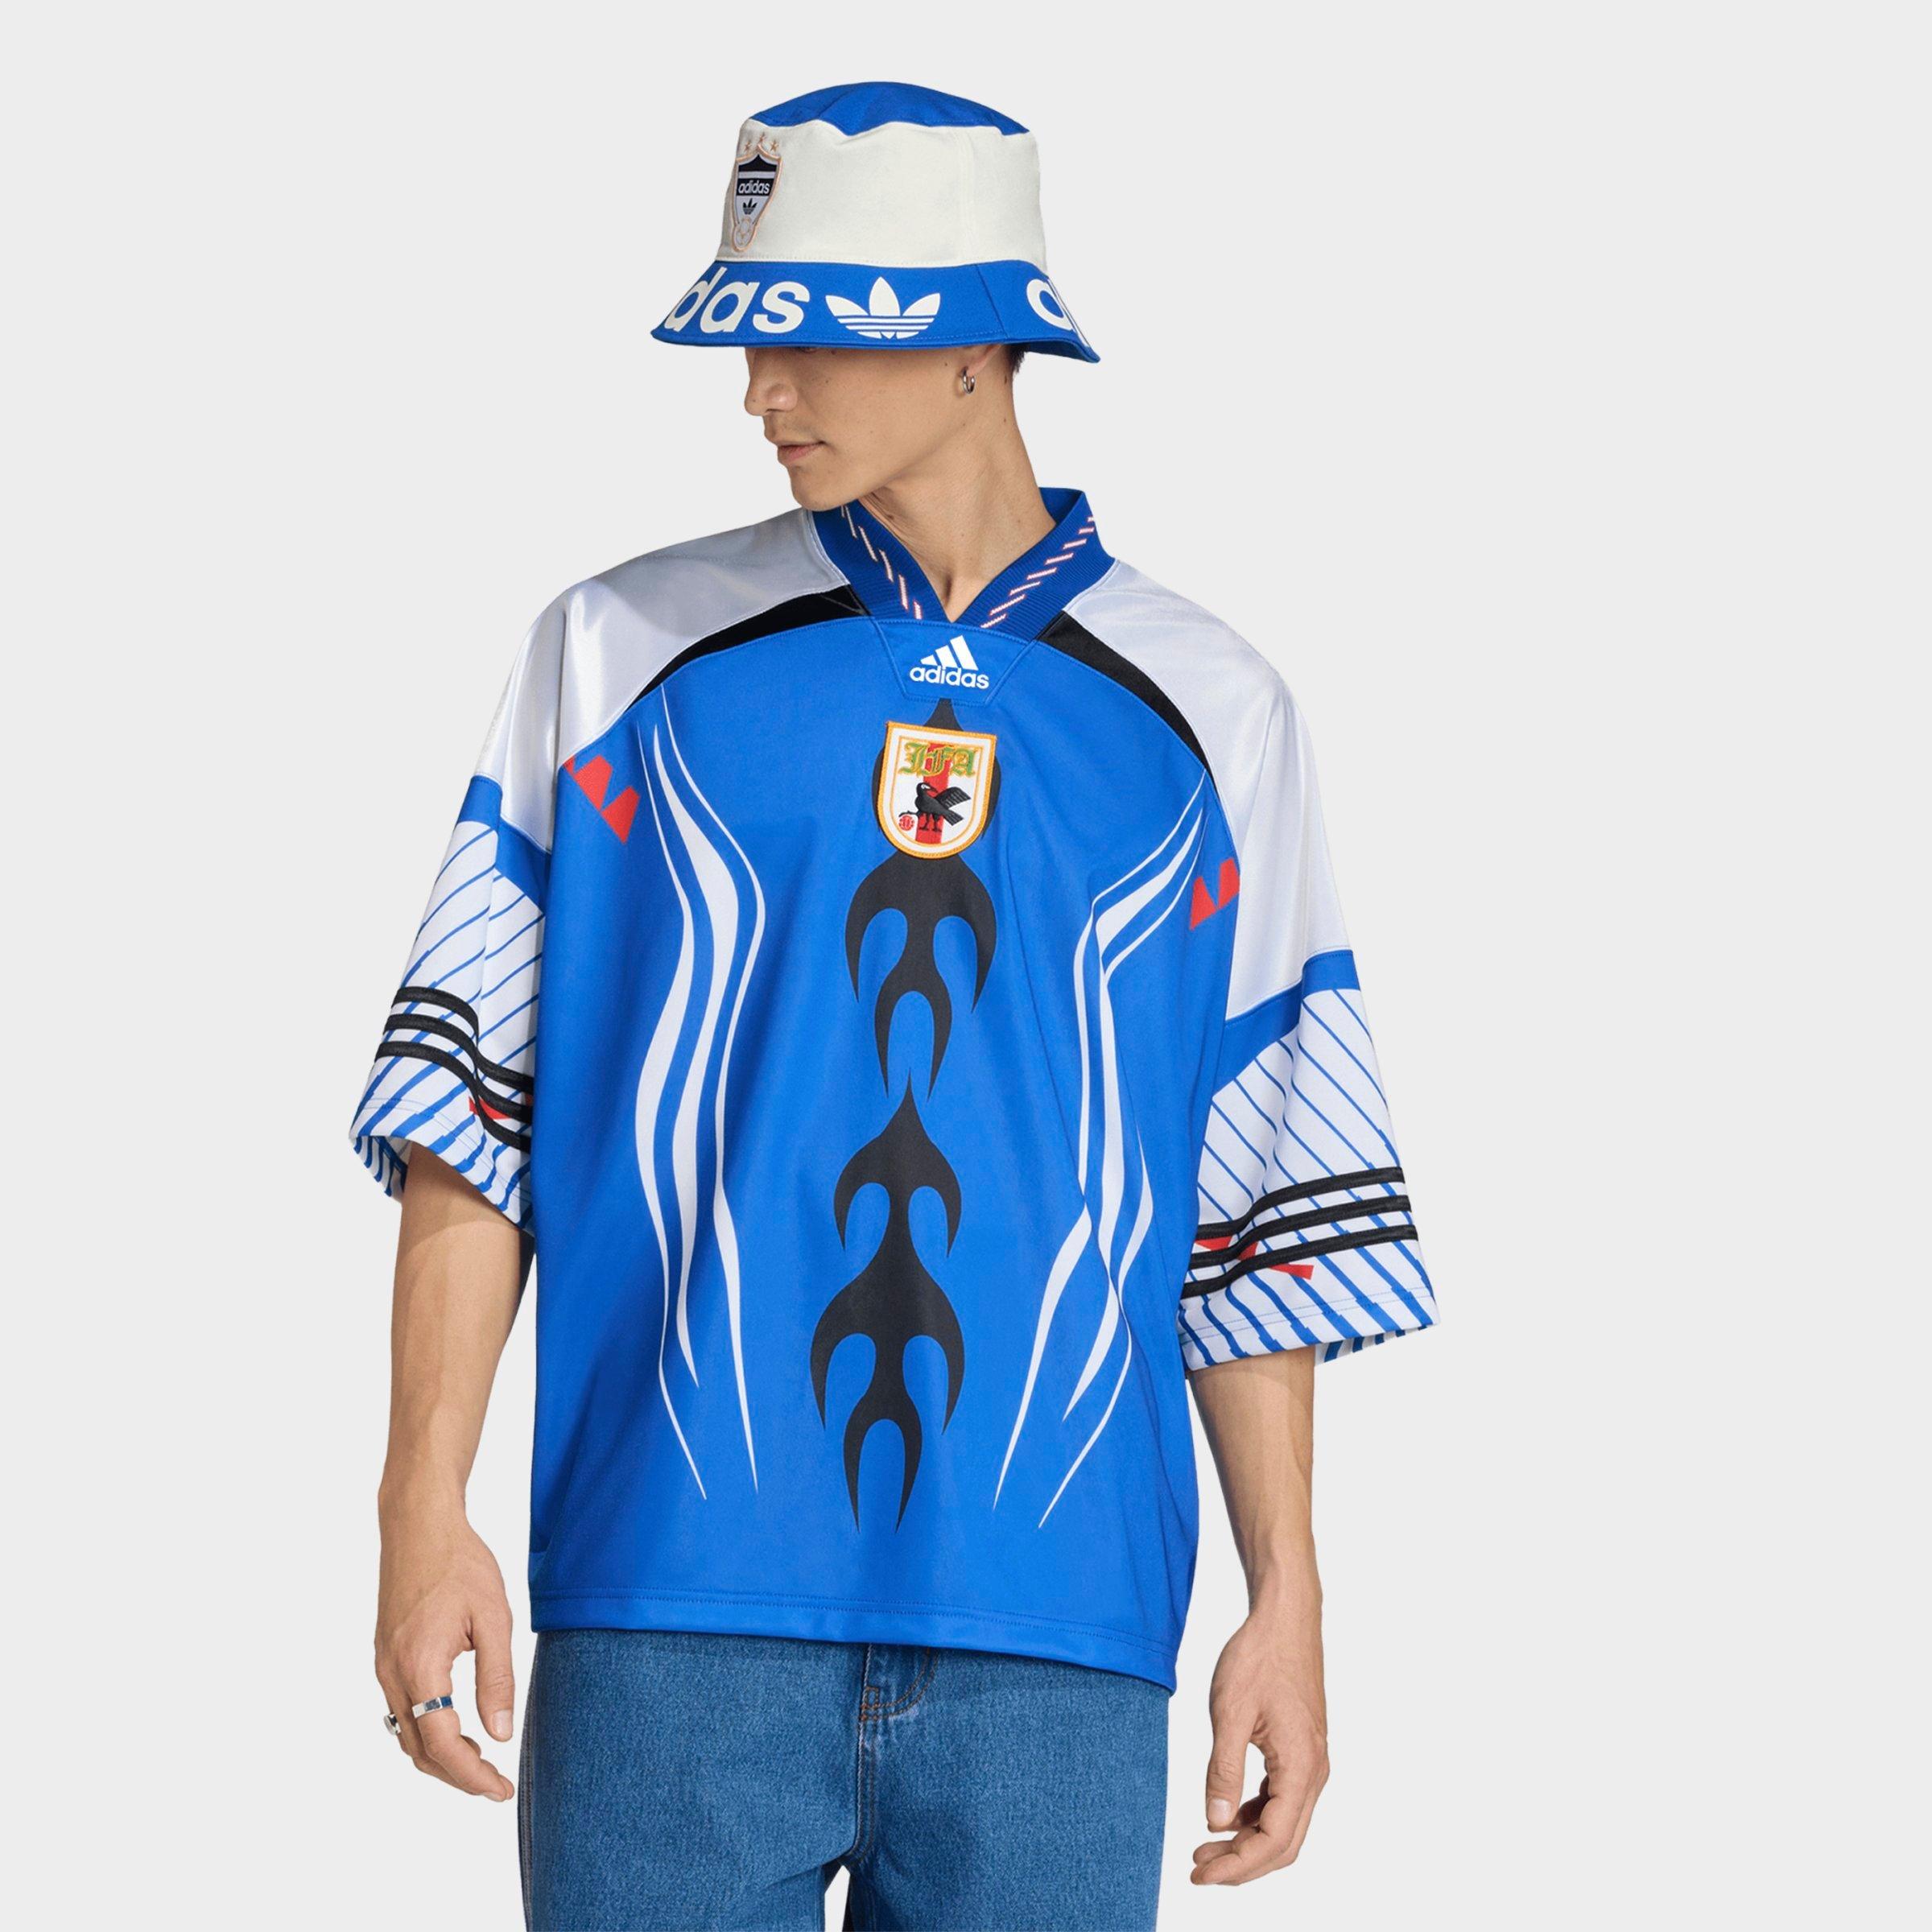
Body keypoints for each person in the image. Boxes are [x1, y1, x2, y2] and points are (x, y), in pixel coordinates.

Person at [356, 81, 1436, 1932]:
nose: (761, 390)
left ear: (979, 348)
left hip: (1062, 1636)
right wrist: (418, 1507)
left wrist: (1290, 1600)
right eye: (750, 335)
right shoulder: (617, 655)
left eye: (813, 338)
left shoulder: (1211, 714)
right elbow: (478, 1114)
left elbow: (1249, 1212)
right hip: (667, 1608)